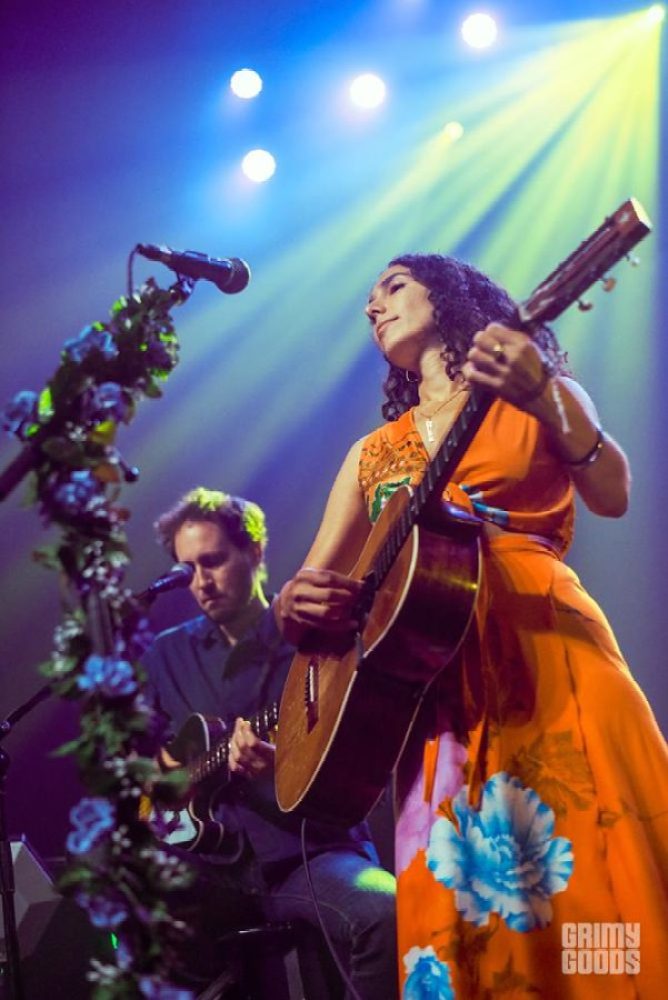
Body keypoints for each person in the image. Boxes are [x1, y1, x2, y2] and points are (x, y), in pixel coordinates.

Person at [275, 253, 668, 998]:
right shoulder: (371, 455)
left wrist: (547, 391)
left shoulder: (530, 394)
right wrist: (292, 602)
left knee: (589, 868)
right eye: (366, 298)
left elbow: (612, 492)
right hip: (427, 687)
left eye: (392, 285)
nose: (373, 307)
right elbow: (309, 582)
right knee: (462, 907)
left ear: (451, 296)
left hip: (546, 648)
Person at [141, 487, 397, 999]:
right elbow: (139, 767)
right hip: (208, 873)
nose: (201, 583)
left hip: (304, 855)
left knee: (386, 912)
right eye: (187, 569)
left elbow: (363, 765)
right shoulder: (165, 656)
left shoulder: (316, 636)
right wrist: (164, 778)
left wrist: (280, 766)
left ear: (255, 551)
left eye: (212, 561)